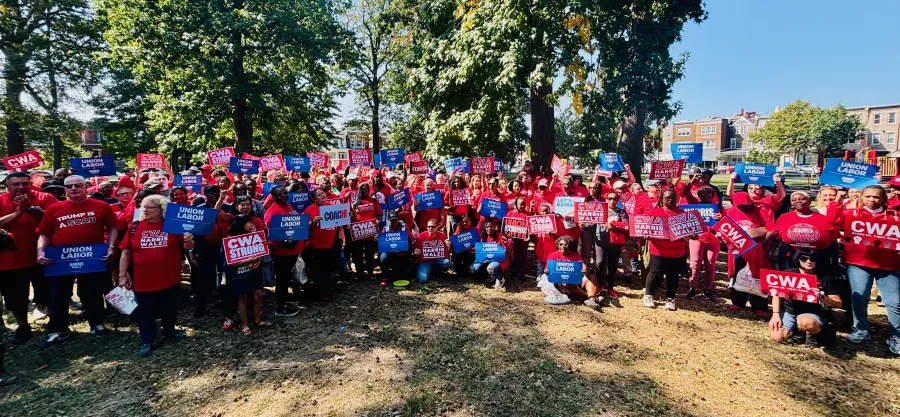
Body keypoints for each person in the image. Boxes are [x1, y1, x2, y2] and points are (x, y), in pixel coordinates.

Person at [36, 175, 119, 350]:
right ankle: (58, 329)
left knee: (92, 292)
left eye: (77, 185)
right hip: (60, 259)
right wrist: (40, 251)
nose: (73, 189)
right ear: (65, 189)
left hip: (91, 257)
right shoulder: (54, 209)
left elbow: (112, 227)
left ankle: (97, 324)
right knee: (58, 294)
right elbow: (44, 233)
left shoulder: (101, 206)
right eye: (69, 186)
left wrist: (110, 247)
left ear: (85, 187)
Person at [826, 185, 900, 355]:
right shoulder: (852, 214)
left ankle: (896, 336)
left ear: (883, 199)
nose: (871, 200)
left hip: (890, 266)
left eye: (876, 197)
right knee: (859, 298)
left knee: (894, 302)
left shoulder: (895, 215)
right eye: (868, 196)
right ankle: (860, 329)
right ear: (861, 197)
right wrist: (837, 199)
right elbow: (832, 220)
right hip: (859, 263)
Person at [118, 195, 191, 356]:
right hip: (143, 280)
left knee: (169, 308)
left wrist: (189, 241)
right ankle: (146, 339)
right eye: (144, 207)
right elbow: (126, 251)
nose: (145, 210)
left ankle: (169, 330)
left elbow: (186, 247)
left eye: (150, 207)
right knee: (144, 311)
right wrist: (122, 275)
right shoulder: (135, 226)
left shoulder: (172, 226)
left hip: (168, 278)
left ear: (161, 210)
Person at [0, 172, 57, 344]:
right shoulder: (1, 200)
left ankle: (55, 323)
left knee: (48, 293)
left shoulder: (45, 196)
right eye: (16, 184)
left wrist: (35, 212)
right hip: (10, 260)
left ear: (31, 183)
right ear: (7, 185)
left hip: (43, 257)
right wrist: (18, 213)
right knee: (16, 298)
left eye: (24, 183)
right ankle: (23, 326)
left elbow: (58, 218)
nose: (21, 187)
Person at [768, 248, 841, 347]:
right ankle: (798, 331)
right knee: (776, 337)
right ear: (797, 259)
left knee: (806, 322)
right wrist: (775, 315)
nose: (809, 261)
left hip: (812, 312)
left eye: (812, 259)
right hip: (789, 311)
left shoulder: (824, 277)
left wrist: (823, 297)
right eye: (804, 259)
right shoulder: (788, 273)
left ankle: (818, 332)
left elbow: (838, 303)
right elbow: (776, 295)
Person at [642, 189, 694, 311]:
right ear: (661, 199)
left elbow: (690, 235)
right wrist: (646, 234)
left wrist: (691, 235)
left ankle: (670, 298)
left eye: (672, 198)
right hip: (658, 249)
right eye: (667, 198)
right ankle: (648, 295)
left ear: (676, 199)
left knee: (673, 275)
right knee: (655, 273)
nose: (670, 200)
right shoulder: (654, 213)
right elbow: (646, 230)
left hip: (676, 251)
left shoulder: (682, 214)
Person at [724, 192, 773, 318]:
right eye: (739, 206)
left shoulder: (760, 211)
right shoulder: (732, 211)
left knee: (757, 276)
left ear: (750, 202)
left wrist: (763, 242)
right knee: (739, 274)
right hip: (738, 249)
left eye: (744, 205)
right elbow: (726, 227)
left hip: (756, 249)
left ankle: (759, 306)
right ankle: (738, 302)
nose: (742, 208)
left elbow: (771, 229)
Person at [190, 185, 233, 318]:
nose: (214, 194)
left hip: (224, 246)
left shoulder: (226, 208)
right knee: (204, 277)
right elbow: (194, 232)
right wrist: (194, 250)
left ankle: (225, 300)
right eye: (211, 192)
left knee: (226, 275)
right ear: (205, 194)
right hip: (206, 248)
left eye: (217, 192)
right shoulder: (199, 210)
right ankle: (201, 305)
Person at [224, 214, 271, 336]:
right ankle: (245, 324)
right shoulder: (231, 240)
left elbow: (259, 253)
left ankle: (257, 320)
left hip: (254, 271)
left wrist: (258, 260)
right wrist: (248, 260)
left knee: (258, 295)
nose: (252, 225)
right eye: (248, 223)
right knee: (243, 298)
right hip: (239, 274)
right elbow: (230, 263)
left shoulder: (254, 237)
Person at [770, 191, 838, 270]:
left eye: (802, 199)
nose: (798, 201)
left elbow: (834, 242)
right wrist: (772, 253)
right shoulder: (783, 218)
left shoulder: (824, 219)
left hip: (818, 259)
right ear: (791, 203)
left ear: (809, 201)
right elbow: (776, 239)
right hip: (791, 259)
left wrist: (835, 262)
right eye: (794, 200)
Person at [264, 186, 303, 317]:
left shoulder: (288, 206)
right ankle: (280, 307)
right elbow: (275, 233)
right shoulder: (273, 212)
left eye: (285, 193)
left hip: (292, 250)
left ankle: (285, 300)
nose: (284, 196)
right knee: (282, 279)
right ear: (274, 197)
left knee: (286, 278)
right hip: (282, 252)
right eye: (280, 194)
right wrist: (287, 242)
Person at [303, 189, 341, 301]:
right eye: (319, 195)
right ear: (314, 199)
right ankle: (321, 293)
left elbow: (340, 222)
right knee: (318, 271)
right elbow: (304, 228)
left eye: (323, 193)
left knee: (328, 268)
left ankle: (326, 289)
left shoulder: (332, 206)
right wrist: (313, 222)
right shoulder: (309, 210)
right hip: (315, 246)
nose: (322, 195)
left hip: (331, 244)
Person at [686, 186, 723, 301]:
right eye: (703, 194)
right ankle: (692, 287)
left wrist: (721, 218)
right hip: (697, 239)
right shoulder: (694, 207)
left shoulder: (719, 208)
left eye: (709, 194)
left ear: (713, 196)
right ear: (698, 196)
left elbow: (727, 224)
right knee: (694, 263)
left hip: (713, 241)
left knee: (710, 265)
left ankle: (708, 289)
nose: (706, 195)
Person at [544, 235, 602, 307]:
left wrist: (584, 270)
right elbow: (548, 271)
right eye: (560, 244)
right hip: (561, 285)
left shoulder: (575, 255)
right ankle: (590, 297)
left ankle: (591, 300)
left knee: (591, 276)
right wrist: (547, 272)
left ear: (570, 245)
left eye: (565, 244)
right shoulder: (553, 256)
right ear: (557, 244)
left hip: (576, 282)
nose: (563, 246)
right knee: (568, 282)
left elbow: (583, 266)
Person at [595, 191, 629, 301]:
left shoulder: (622, 212)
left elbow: (627, 227)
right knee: (599, 263)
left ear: (618, 201)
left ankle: (610, 287)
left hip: (615, 243)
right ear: (606, 199)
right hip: (600, 242)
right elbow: (590, 221)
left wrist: (614, 226)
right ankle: (600, 285)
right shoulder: (599, 210)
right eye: (609, 198)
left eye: (614, 199)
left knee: (612, 265)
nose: (612, 201)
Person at [350, 183, 381, 279]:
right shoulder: (355, 203)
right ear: (360, 190)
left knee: (369, 253)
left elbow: (379, 214)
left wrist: (378, 220)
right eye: (363, 189)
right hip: (358, 232)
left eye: (367, 188)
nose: (365, 190)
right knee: (358, 254)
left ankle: (370, 272)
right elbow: (351, 216)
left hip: (370, 232)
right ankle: (359, 272)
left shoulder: (374, 201)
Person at [469, 220, 510, 289]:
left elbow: (508, 251)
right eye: (487, 227)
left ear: (494, 227)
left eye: (491, 227)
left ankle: (499, 278)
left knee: (491, 268)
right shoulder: (483, 237)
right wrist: (469, 248)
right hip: (485, 259)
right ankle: (487, 276)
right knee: (472, 269)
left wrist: (506, 244)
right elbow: (477, 249)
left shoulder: (500, 236)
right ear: (485, 228)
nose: (489, 229)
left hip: (499, 260)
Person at [380, 212, 415, 286]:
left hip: (403, 253)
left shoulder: (404, 226)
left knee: (401, 277)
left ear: (398, 220)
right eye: (391, 221)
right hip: (390, 253)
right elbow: (383, 245)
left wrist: (403, 249)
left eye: (395, 220)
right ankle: (384, 277)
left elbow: (410, 239)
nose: (393, 222)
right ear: (388, 221)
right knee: (383, 257)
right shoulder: (384, 229)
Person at [413, 218, 453, 283]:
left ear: (437, 227)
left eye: (432, 227)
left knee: (448, 262)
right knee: (423, 280)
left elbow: (446, 254)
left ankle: (435, 271)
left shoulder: (442, 236)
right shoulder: (421, 236)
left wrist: (448, 246)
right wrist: (415, 251)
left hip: (437, 260)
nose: (430, 228)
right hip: (425, 262)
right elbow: (414, 249)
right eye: (428, 226)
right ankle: (424, 270)